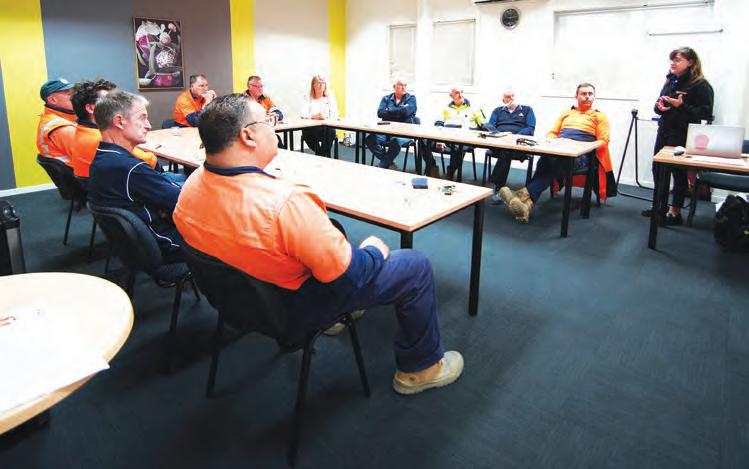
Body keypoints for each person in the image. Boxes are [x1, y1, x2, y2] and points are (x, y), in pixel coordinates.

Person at [173, 94, 463, 395]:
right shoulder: (286, 203)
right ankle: (421, 368)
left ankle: (344, 316)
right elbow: (352, 273)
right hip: (295, 307)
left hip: (240, 303)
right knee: (415, 265)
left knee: (332, 228)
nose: (274, 126)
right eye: (268, 121)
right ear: (248, 136)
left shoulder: (190, 187)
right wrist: (375, 250)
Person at [498, 83, 616, 223]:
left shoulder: (599, 116)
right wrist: (552, 142)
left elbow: (603, 141)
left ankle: (521, 195)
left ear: (594, 97)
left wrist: (583, 146)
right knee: (545, 158)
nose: (587, 97)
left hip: (582, 155)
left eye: (590, 94)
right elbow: (553, 133)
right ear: (576, 96)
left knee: (556, 163)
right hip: (561, 149)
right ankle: (526, 205)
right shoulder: (566, 114)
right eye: (583, 93)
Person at [89, 90, 183, 260]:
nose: (149, 125)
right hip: (167, 243)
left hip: (137, 248)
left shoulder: (104, 157)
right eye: (142, 118)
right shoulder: (130, 168)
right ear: (119, 121)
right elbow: (182, 201)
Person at [641, 47, 714, 225]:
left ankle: (675, 212)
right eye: (672, 60)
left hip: (683, 133)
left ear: (690, 62)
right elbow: (658, 105)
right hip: (665, 130)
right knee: (658, 169)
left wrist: (681, 106)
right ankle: (660, 206)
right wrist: (660, 107)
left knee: (678, 172)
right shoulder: (670, 80)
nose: (673, 63)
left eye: (678, 60)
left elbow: (705, 114)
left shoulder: (700, 84)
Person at [70, 79, 161, 182]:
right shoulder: (102, 139)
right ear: (91, 108)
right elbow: (150, 162)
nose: (117, 105)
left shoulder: (80, 131)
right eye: (107, 101)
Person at [484, 90, 536, 201]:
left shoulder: (527, 110)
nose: (511, 98)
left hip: (518, 144)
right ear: (503, 99)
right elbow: (490, 125)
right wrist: (499, 135)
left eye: (512, 96)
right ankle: (498, 187)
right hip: (499, 142)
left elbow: (531, 127)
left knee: (506, 151)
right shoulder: (497, 110)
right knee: (505, 150)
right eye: (507, 96)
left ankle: (497, 185)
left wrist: (516, 136)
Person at [423, 86, 484, 180]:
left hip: (465, 138)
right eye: (456, 92)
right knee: (423, 141)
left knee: (458, 146)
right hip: (446, 136)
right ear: (451, 95)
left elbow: (483, 125)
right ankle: (432, 167)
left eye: (461, 92)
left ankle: (450, 172)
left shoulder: (474, 108)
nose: (460, 95)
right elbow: (438, 124)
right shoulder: (446, 108)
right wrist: (440, 139)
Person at [366, 78, 417, 169]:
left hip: (404, 133)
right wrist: (400, 111)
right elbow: (380, 113)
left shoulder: (411, 99)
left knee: (395, 140)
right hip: (386, 132)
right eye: (400, 85)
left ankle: (383, 165)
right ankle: (388, 161)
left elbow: (406, 113)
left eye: (405, 85)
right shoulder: (386, 99)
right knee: (370, 138)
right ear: (394, 87)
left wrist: (389, 110)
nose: (403, 87)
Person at [36, 78, 77, 168]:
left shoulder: (59, 118)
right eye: (69, 94)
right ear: (52, 100)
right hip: (81, 174)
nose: (75, 97)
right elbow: (88, 159)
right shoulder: (62, 128)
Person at [300, 75, 338, 156]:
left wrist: (325, 117)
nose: (321, 85)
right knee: (311, 132)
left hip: (326, 127)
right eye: (318, 83)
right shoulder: (308, 96)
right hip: (311, 127)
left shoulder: (329, 96)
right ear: (313, 85)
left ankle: (321, 155)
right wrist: (314, 116)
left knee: (330, 131)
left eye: (323, 83)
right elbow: (303, 113)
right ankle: (323, 155)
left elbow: (335, 113)